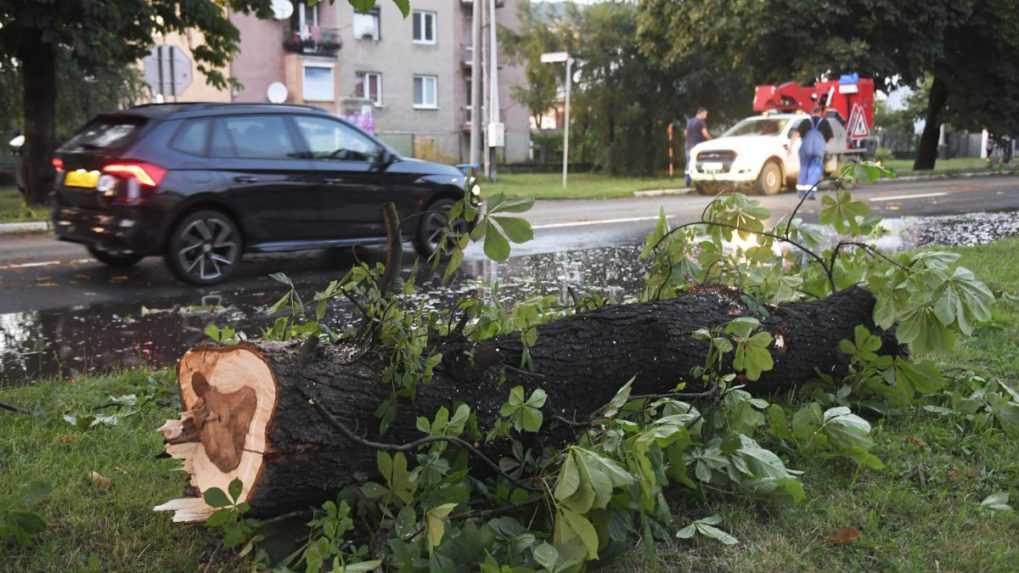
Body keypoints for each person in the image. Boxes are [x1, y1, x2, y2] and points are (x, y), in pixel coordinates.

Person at [795, 106, 834, 200]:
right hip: (818, 151)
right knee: (814, 170)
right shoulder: (824, 122)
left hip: (805, 150)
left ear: (811, 112)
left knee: (804, 169)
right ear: (820, 112)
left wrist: (790, 148)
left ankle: (801, 192)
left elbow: (796, 134)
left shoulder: (806, 122)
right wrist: (823, 144)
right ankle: (810, 193)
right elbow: (830, 139)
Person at [685, 107, 711, 186]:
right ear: (701, 113)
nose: (706, 116)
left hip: (688, 144)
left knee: (689, 161)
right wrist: (711, 140)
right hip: (697, 145)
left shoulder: (690, 121)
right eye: (705, 114)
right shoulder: (701, 122)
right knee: (699, 162)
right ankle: (701, 180)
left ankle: (687, 179)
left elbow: (685, 133)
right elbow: (705, 133)